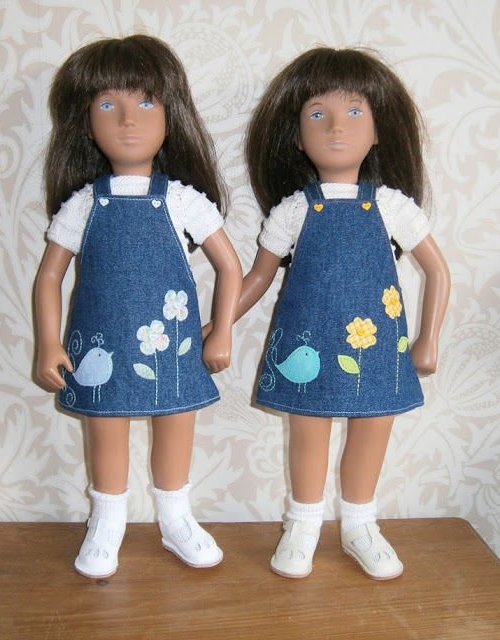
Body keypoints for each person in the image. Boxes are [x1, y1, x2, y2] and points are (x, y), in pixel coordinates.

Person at [237, 46, 450, 579]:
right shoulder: (294, 210)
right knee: (308, 433)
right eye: (318, 114)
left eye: (355, 111)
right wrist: (219, 325)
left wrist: (428, 338)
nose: (337, 127)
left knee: (372, 429)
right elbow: (259, 277)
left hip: (377, 346)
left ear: (378, 130)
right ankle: (303, 524)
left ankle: (360, 525)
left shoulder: (391, 206)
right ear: (296, 134)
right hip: (307, 344)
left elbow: (438, 271)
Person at [35, 34, 242, 579]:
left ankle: (176, 517)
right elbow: (50, 275)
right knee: (106, 427)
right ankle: (107, 520)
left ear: (171, 117)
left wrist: (222, 329)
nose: (128, 118)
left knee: (175, 423)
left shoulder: (181, 200)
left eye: (146, 102)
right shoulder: (84, 203)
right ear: (86, 125)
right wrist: (49, 342)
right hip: (100, 342)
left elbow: (230, 266)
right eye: (108, 104)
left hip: (171, 343)